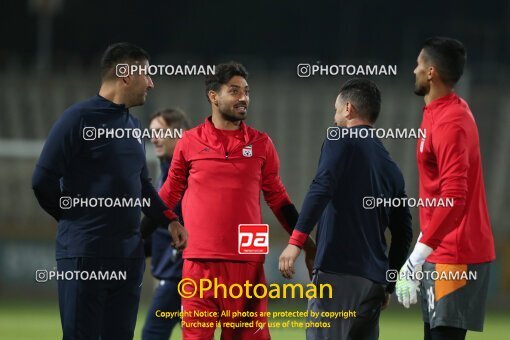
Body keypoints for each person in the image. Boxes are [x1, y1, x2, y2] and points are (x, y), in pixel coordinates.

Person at [31, 42, 179, 340]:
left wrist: (170, 220)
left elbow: (143, 187)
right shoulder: (77, 119)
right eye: (146, 75)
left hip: (128, 259)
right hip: (86, 256)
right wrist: (72, 219)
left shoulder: (134, 127)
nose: (151, 82)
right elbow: (41, 181)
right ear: (124, 74)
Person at [159, 61, 316, 340]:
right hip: (199, 264)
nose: (244, 97)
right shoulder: (189, 142)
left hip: (248, 265)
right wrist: (135, 234)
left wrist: (305, 243)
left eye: (246, 91)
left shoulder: (261, 143)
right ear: (213, 96)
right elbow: (167, 195)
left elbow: (278, 199)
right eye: (234, 91)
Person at [279, 78, 413, 340]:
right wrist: (388, 282)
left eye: (336, 109)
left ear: (349, 108)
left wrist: (296, 241)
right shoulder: (392, 168)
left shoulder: (339, 138)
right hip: (372, 284)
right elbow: (404, 232)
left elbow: (321, 187)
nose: (335, 116)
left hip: (338, 273)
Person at [395, 37, 496, 340]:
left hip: (455, 254)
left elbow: (454, 197)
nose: (414, 69)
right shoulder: (438, 112)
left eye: (418, 63)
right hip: (439, 249)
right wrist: (423, 252)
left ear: (431, 72)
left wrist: (415, 259)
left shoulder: (451, 122)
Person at [141, 108, 190, 339]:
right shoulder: (164, 171)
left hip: (177, 273)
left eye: (161, 131)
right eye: (152, 132)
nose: (154, 137)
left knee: (152, 334)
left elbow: (170, 217)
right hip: (174, 270)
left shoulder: (185, 174)